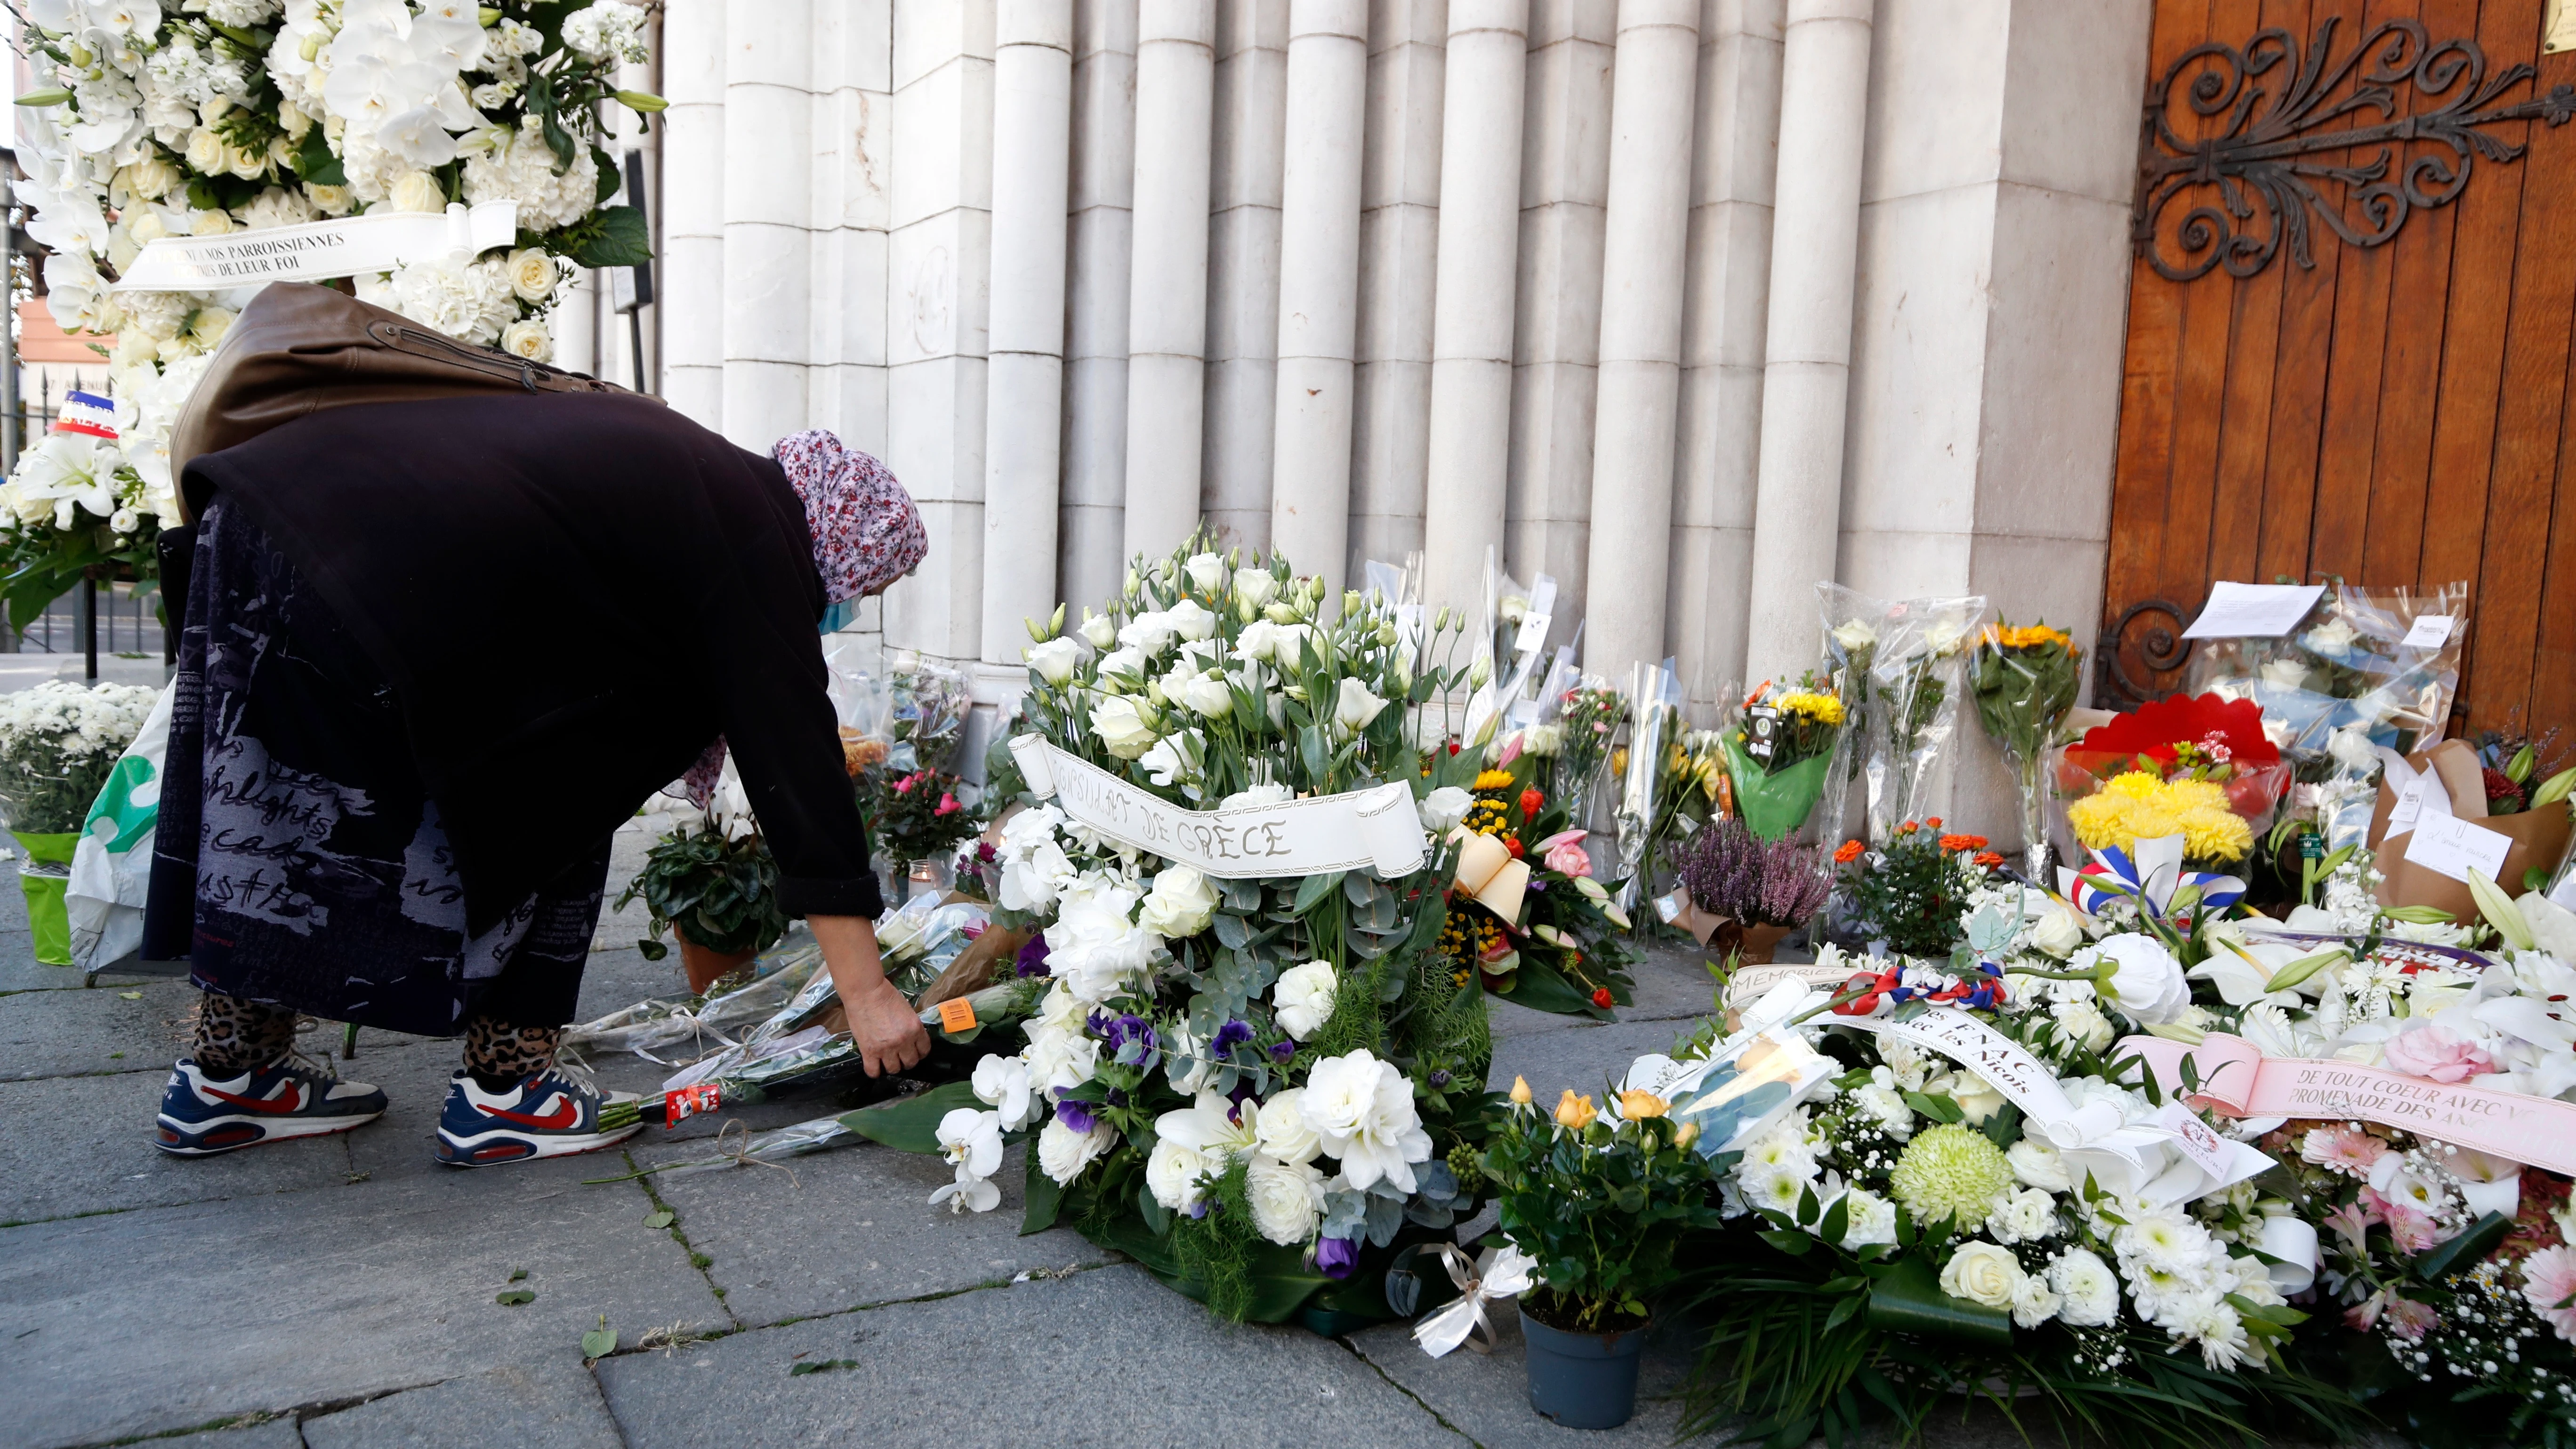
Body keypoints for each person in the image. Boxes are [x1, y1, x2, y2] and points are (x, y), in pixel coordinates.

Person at [142, 386, 933, 1167]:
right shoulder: (757, 533)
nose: (846, 607)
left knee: (271, 815)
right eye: (868, 584)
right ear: (844, 538)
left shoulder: (701, 479)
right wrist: (867, 995)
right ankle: (508, 1092)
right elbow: (796, 766)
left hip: (261, 520)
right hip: (349, 560)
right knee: (576, 783)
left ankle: (230, 1077)